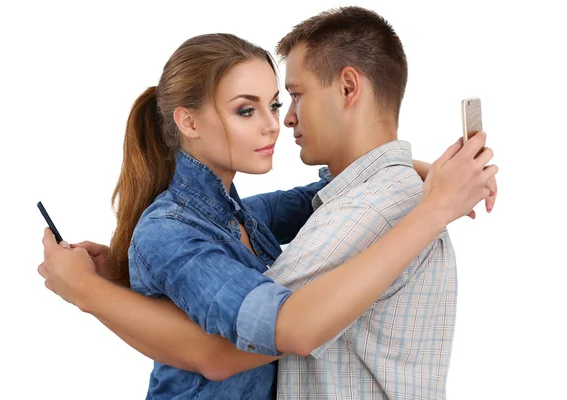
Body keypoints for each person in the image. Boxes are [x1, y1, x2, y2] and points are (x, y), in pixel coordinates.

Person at [39, 27, 497, 400]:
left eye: (277, 103)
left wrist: (414, 168)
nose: (276, 123)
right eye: (246, 109)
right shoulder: (170, 229)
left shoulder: (235, 214)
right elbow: (230, 352)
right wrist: (84, 289)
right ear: (189, 122)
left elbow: (316, 196)